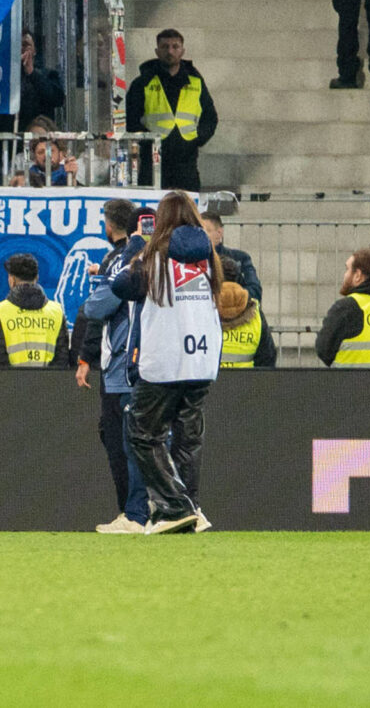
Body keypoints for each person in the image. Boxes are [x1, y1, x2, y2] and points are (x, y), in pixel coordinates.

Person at [109, 191, 222, 534]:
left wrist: (133, 250)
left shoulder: (154, 257)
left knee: (143, 434)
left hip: (165, 358)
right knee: (188, 440)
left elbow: (122, 287)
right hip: (202, 359)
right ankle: (192, 508)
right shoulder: (209, 258)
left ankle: (174, 507)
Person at [77, 198, 151, 532]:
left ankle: (135, 513)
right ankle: (170, 507)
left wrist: (104, 280)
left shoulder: (125, 261)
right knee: (160, 439)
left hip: (126, 362)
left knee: (130, 440)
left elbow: (96, 307)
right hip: (163, 360)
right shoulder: (163, 260)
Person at [125, 29, 218, 189]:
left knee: (187, 208)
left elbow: (210, 117)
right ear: (157, 51)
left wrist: (198, 139)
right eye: (165, 46)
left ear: (182, 51)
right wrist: (146, 141)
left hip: (186, 160)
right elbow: (130, 117)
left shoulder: (195, 82)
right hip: (153, 159)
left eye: (175, 47)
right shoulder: (143, 82)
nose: (170, 51)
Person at [0, 252, 70, 367]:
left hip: (12, 383)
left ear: (12, 279)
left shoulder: (1, 311)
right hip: (49, 382)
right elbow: (62, 355)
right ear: (37, 277)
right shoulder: (56, 311)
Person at [218, 261, 275, 368]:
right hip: (247, 382)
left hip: (210, 382)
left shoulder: (203, 311)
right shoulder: (255, 313)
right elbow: (267, 357)